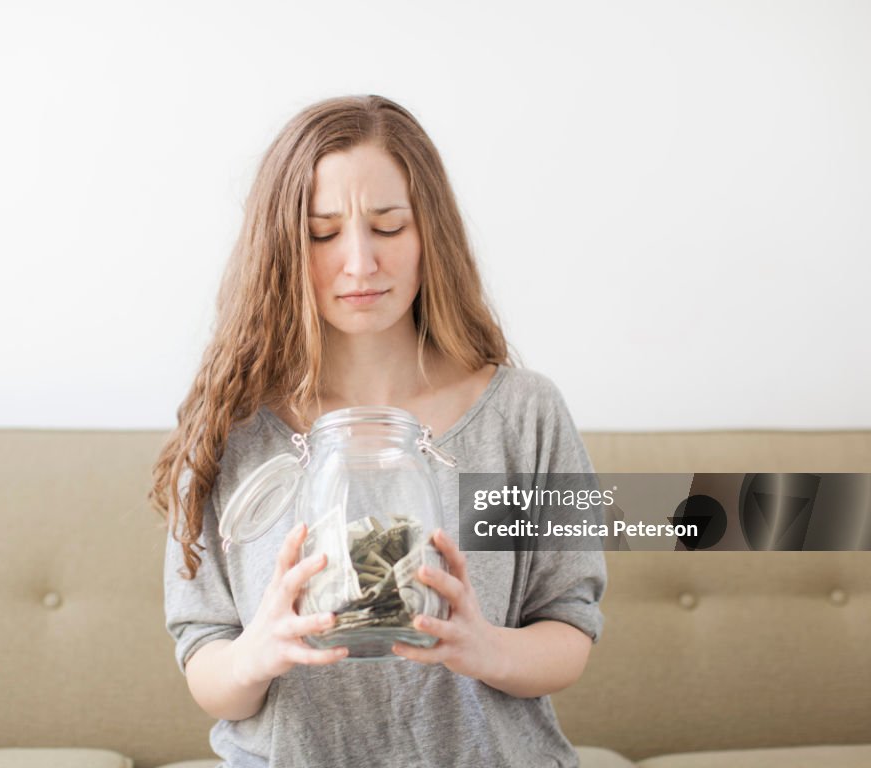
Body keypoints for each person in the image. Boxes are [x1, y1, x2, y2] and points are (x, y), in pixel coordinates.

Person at [151, 94, 606, 767]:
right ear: (281, 248)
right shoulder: (230, 425)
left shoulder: (524, 415)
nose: (360, 262)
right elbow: (205, 659)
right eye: (322, 232)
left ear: (431, 234)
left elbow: (571, 625)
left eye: (388, 227)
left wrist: (487, 649)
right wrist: (260, 651)